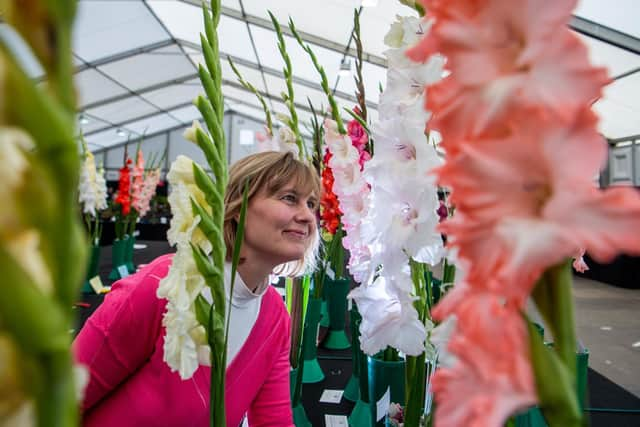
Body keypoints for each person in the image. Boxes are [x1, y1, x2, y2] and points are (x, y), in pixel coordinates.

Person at [74, 151, 320, 427]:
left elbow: (273, 421)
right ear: (237, 208)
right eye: (289, 198)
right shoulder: (163, 286)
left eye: (312, 204)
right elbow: (65, 395)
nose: (308, 216)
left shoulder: (275, 317)